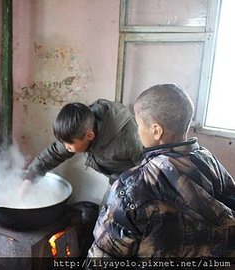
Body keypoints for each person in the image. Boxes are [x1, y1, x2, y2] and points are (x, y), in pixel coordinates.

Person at [87, 84, 235, 259]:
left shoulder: (132, 185)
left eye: (139, 124)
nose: (138, 130)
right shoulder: (210, 162)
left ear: (156, 131)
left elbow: (103, 256)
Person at [25, 99, 143, 184]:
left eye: (69, 143)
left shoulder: (129, 139)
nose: (66, 147)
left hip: (134, 180)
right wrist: (30, 178)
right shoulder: (78, 128)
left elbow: (149, 169)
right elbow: (55, 152)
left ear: (89, 136)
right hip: (116, 178)